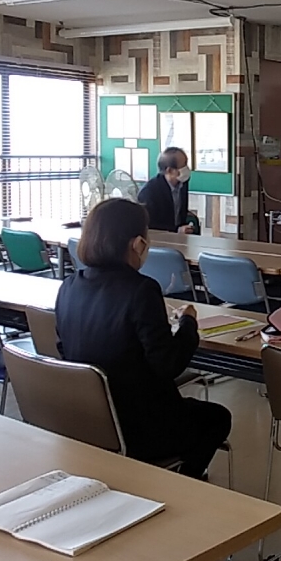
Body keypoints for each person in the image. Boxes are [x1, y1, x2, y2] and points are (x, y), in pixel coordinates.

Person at [55, 198, 230, 479]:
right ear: (137, 244)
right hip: (140, 426)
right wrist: (188, 323)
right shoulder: (142, 289)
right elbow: (168, 364)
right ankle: (185, 481)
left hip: (90, 419)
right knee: (217, 418)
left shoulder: (69, 286)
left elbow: (64, 348)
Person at [139, 147, 196, 234]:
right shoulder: (149, 192)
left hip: (180, 236)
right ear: (170, 170)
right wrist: (177, 230)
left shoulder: (182, 182)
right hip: (159, 237)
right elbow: (150, 225)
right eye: (183, 166)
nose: (187, 168)